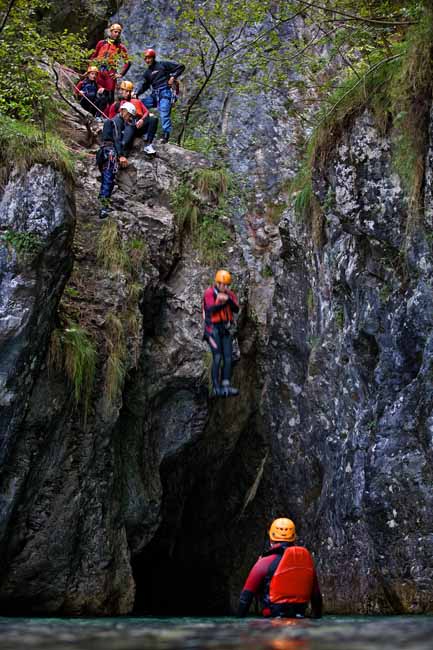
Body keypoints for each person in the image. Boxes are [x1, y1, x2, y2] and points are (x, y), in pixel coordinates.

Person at [238, 518, 323, 619]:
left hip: (271, 622)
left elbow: (245, 598)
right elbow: (317, 598)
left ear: (271, 537)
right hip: (300, 622)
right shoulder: (306, 563)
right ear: (294, 537)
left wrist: (239, 619)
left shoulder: (264, 562)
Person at [134, 48, 185, 143]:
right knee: (141, 105)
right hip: (155, 94)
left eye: (149, 58)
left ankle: (166, 136)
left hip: (165, 92)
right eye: (146, 58)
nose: (147, 60)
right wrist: (136, 93)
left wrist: (173, 77)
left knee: (164, 114)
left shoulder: (163, 65)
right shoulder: (147, 73)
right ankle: (143, 129)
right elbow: (145, 86)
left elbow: (181, 66)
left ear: (153, 58)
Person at [202, 269, 239, 397]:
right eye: (222, 284)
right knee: (217, 357)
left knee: (229, 357)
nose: (224, 287)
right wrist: (221, 301)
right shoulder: (209, 293)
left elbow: (236, 309)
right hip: (212, 330)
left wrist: (227, 300)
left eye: (227, 285)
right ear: (217, 283)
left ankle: (226, 385)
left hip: (224, 328)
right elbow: (211, 310)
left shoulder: (229, 294)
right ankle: (215, 387)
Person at [96, 101, 136, 219]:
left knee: (107, 179)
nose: (129, 118)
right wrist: (121, 156)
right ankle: (103, 208)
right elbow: (117, 139)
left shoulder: (115, 121)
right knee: (108, 179)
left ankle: (103, 202)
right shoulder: (116, 121)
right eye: (129, 115)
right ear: (123, 111)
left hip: (105, 152)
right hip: (110, 153)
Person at [108, 80, 158, 155]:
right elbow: (111, 119)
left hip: (138, 124)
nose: (127, 93)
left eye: (129, 91)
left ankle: (148, 145)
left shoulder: (136, 101)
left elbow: (146, 112)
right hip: (128, 126)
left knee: (153, 119)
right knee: (125, 144)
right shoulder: (117, 104)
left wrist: (142, 120)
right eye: (125, 91)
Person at [90, 23, 131, 104]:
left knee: (109, 95)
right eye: (115, 32)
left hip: (110, 73)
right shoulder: (101, 43)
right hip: (99, 71)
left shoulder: (120, 47)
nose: (117, 34)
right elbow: (93, 56)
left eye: (119, 33)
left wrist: (120, 74)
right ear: (111, 32)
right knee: (96, 92)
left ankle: (107, 115)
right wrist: (90, 69)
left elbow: (128, 61)